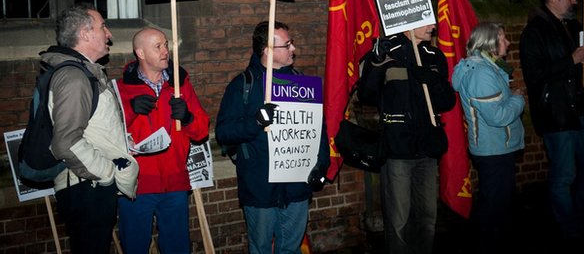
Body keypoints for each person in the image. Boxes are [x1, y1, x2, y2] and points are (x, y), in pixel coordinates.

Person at [215, 21, 330, 254]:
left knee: (291, 248)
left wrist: (321, 165)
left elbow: (318, 129)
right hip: (260, 187)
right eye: (287, 45)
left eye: (292, 43)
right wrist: (255, 122)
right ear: (267, 50)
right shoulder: (243, 85)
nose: (293, 49)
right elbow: (224, 132)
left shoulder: (301, 83)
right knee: (261, 249)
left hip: (296, 186)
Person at [519, 0, 584, 247]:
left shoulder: (572, 26)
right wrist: (571, 60)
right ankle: (569, 226)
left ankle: (578, 215)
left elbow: (582, 70)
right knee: (564, 175)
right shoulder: (534, 32)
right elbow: (535, 76)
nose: (575, 1)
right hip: (557, 116)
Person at [45, 4, 138, 254]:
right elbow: (65, 142)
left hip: (90, 185)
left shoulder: (84, 72)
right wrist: (106, 173)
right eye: (102, 26)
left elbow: (91, 128)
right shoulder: (74, 77)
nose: (109, 34)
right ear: (85, 34)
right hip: (87, 187)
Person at [356, 24, 456, 254]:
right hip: (398, 150)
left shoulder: (434, 55)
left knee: (427, 216)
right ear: (409, 23)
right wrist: (376, 60)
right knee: (399, 219)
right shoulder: (389, 52)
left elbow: (447, 101)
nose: (433, 26)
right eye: (426, 20)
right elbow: (367, 94)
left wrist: (432, 80)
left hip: (427, 149)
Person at [116, 27, 210, 253]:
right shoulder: (122, 89)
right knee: (135, 246)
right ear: (140, 53)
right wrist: (128, 111)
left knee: (177, 247)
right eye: (157, 46)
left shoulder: (180, 85)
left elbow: (202, 131)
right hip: (137, 185)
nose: (165, 51)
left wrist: (187, 117)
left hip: (175, 182)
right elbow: (108, 136)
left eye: (166, 45)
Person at [451, 22, 525, 254]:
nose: (508, 43)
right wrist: (518, 99)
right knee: (494, 207)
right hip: (493, 149)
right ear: (490, 43)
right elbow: (498, 116)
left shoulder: (489, 67)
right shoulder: (482, 73)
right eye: (502, 39)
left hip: (496, 147)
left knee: (496, 205)